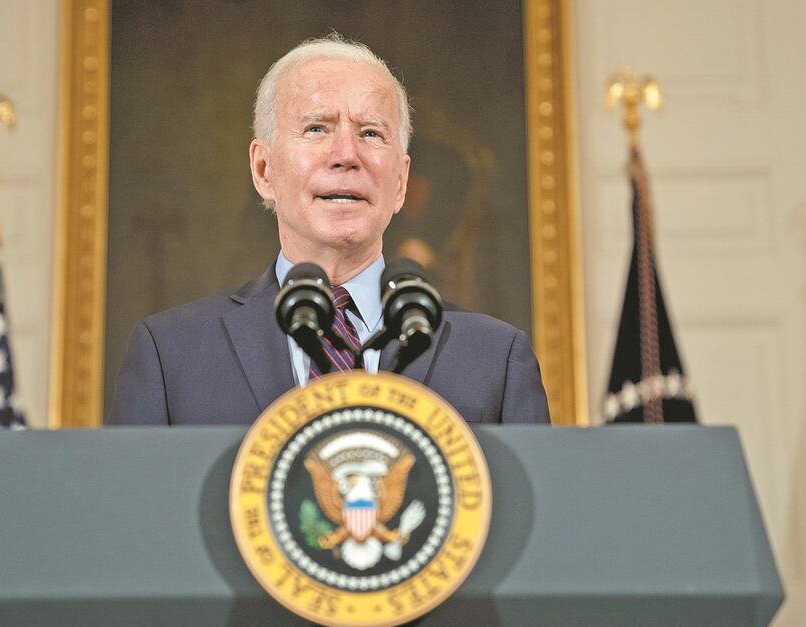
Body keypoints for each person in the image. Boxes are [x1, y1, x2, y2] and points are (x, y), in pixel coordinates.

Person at [109, 35, 549, 426]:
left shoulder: (496, 358)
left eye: (371, 133)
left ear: (400, 182)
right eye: (317, 128)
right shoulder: (171, 355)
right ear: (263, 170)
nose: (346, 155)